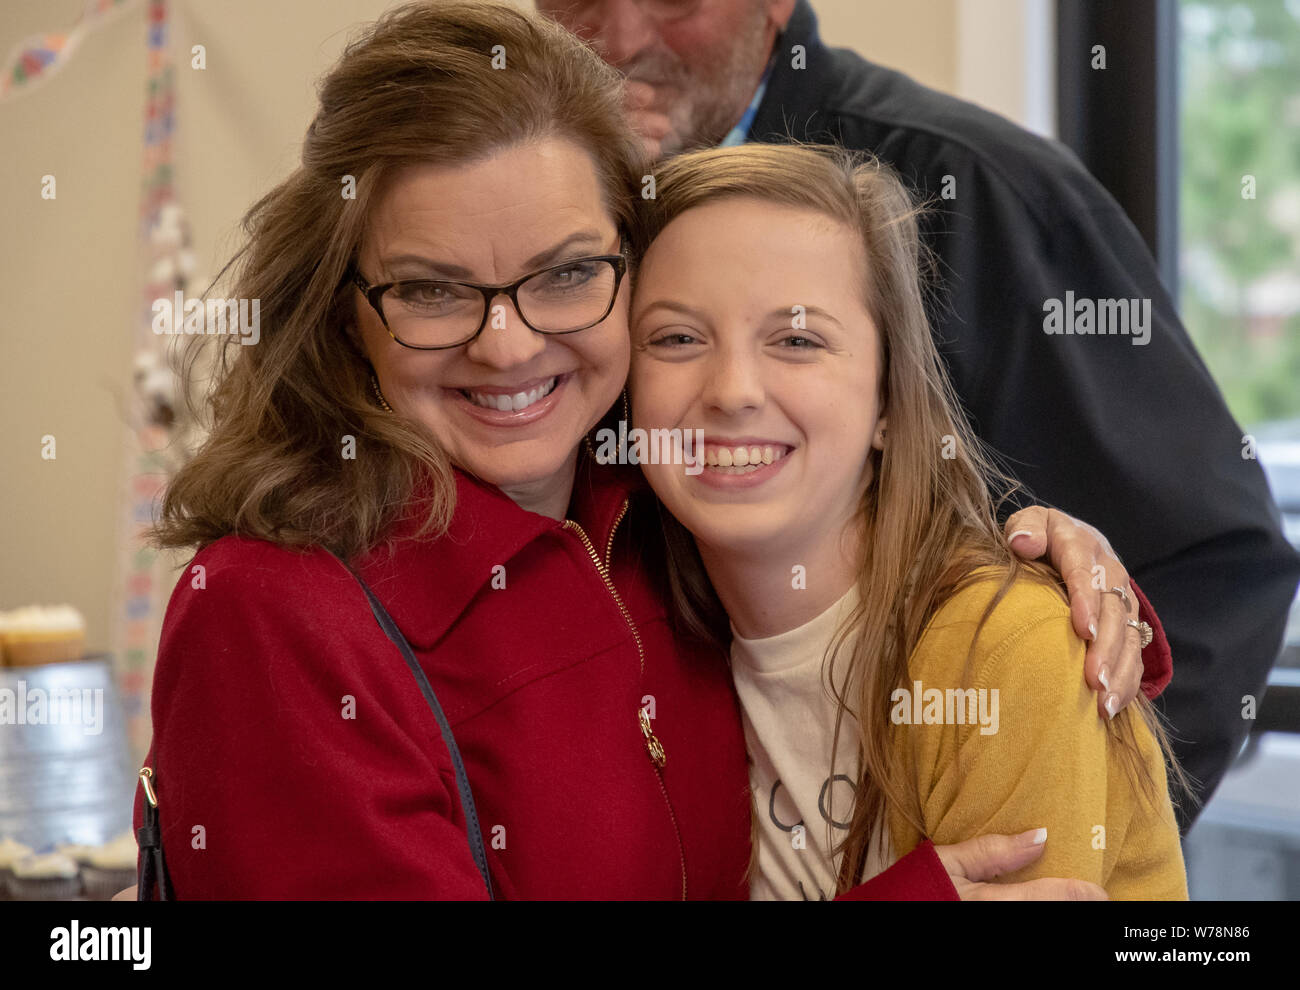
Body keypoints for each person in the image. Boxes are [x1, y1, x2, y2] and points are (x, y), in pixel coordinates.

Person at [132, 0, 1163, 901]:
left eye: (566, 273)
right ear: (339, 304)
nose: (508, 342)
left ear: (629, 267)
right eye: (432, 289)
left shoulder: (651, 511)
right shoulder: (269, 616)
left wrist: (1038, 559)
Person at [536, 0, 1300, 830]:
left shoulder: (974, 190)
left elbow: (1217, 568)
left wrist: (1060, 789)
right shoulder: (556, 218)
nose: (617, 38)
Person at [628, 142, 1189, 899]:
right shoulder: (639, 627)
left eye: (797, 340)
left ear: (889, 402)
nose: (731, 390)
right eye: (677, 338)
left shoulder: (1000, 652)